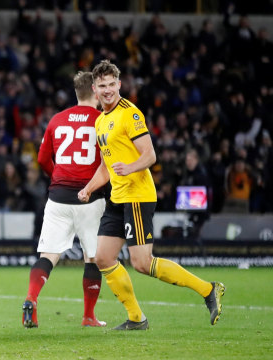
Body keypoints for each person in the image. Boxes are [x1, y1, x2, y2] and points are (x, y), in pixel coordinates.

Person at [77, 60, 224, 330]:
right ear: (95, 90)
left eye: (112, 84)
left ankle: (208, 289)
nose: (108, 90)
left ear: (119, 85)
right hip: (117, 198)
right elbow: (105, 166)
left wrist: (129, 167)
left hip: (137, 195)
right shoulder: (101, 121)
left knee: (142, 263)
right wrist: (88, 188)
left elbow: (150, 155)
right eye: (102, 86)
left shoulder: (130, 113)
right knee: (103, 258)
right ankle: (136, 319)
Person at [22, 71, 107, 329]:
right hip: (90, 198)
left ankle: (31, 298)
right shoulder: (103, 120)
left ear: (76, 93)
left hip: (58, 196)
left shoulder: (57, 120)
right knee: (92, 257)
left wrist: (58, 174)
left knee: (49, 254)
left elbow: (41, 159)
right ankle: (89, 316)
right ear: (95, 91)